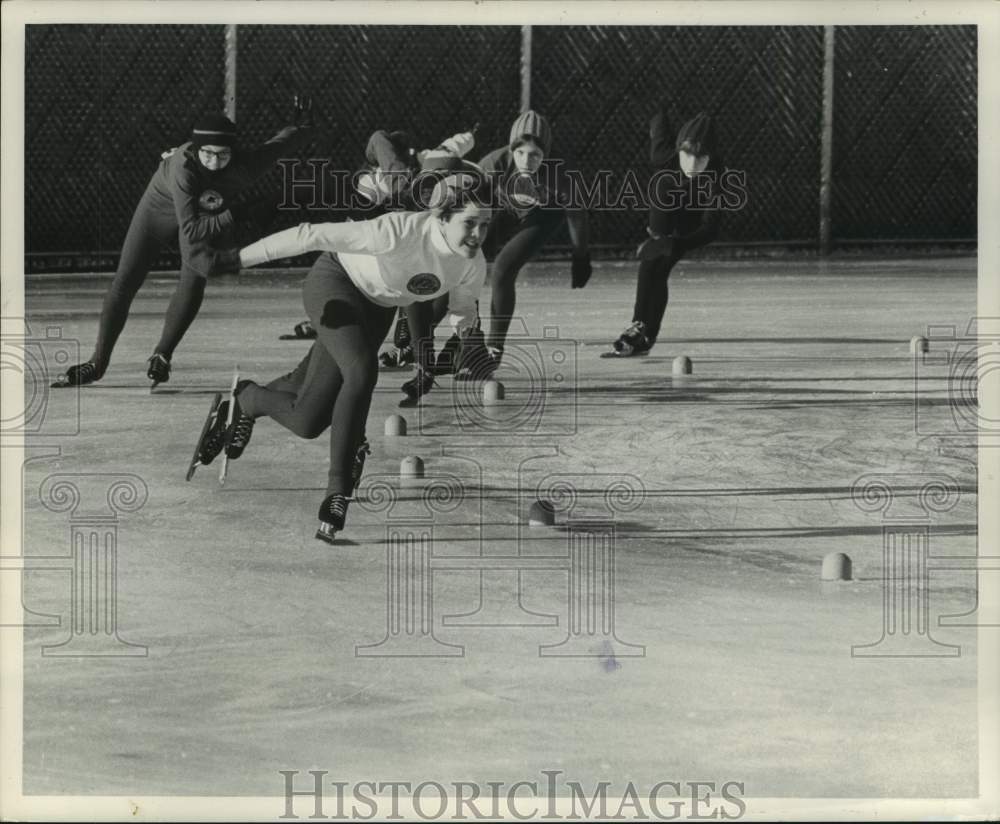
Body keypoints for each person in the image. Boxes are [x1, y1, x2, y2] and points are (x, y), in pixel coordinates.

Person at [194, 173, 492, 544]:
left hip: (376, 311)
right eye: (470, 223)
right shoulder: (396, 231)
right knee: (362, 371)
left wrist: (469, 336)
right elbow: (310, 234)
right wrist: (234, 259)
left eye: (485, 224)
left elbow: (464, 303)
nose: (478, 234)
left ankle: (247, 400)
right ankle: (338, 491)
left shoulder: (472, 262)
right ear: (442, 217)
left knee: (308, 421)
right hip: (335, 284)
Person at [55, 100, 317, 388]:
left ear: (234, 152)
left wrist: (302, 126)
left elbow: (280, 144)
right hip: (159, 210)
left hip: (206, 213)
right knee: (126, 280)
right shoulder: (184, 168)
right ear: (196, 149)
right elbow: (191, 230)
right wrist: (235, 214)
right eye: (208, 154)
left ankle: (162, 355)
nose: (215, 163)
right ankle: (97, 363)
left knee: (196, 275)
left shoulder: (245, 166)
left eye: (223, 155)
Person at [285, 124, 479, 360]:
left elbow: (455, 144)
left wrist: (470, 135)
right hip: (388, 226)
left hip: (422, 220)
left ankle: (422, 343)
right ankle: (341, 319)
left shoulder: (429, 160)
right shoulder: (375, 181)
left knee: (437, 278)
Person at [426, 109, 592, 378]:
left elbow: (577, 215)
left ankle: (493, 348)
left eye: (535, 155)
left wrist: (581, 255)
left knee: (504, 269)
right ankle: (448, 338)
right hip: (500, 211)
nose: (527, 161)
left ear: (546, 155)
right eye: (520, 153)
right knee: (462, 265)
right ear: (511, 150)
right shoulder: (494, 164)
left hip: (542, 216)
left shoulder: (562, 174)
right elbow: (467, 207)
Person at [609, 107, 723, 356]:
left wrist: (675, 244)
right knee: (652, 264)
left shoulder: (717, 177)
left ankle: (645, 332)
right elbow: (658, 119)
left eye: (701, 158)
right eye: (687, 155)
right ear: (678, 149)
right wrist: (658, 113)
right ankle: (639, 328)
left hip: (689, 218)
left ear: (710, 157)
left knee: (663, 263)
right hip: (664, 202)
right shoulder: (663, 155)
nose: (692, 164)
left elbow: (710, 229)